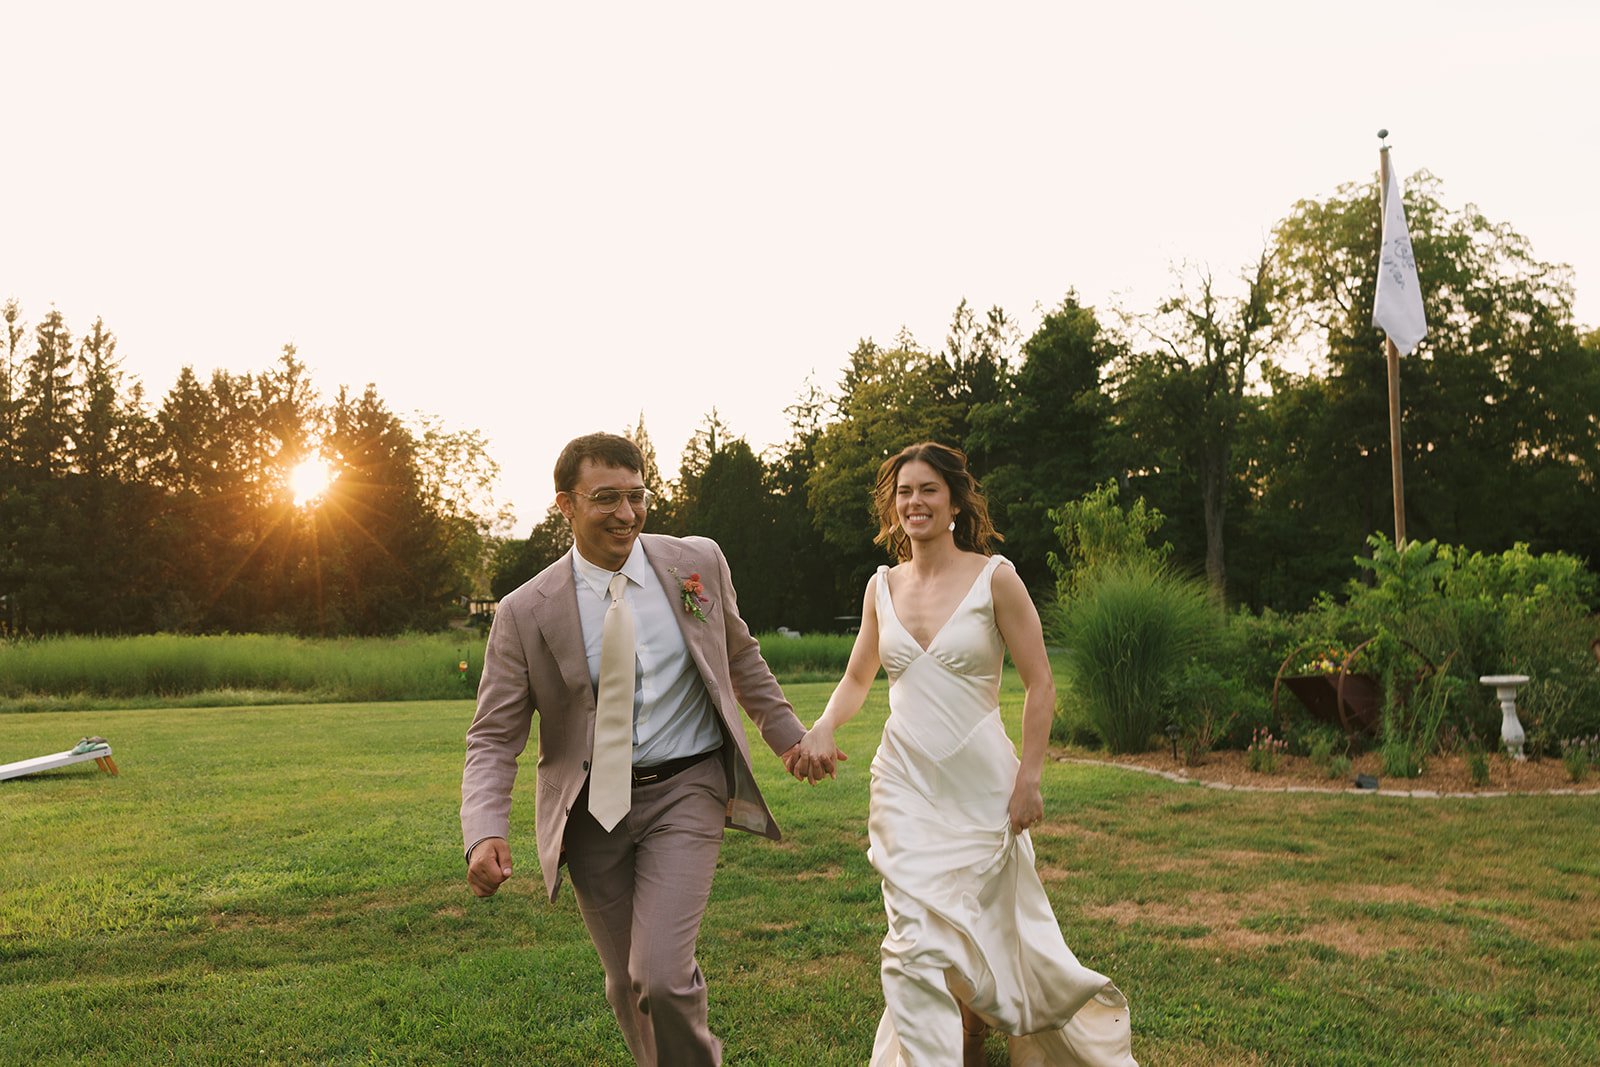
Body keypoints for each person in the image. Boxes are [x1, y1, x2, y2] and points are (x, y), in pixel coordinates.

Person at [461, 431, 835, 1066]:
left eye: (637, 496)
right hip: (590, 813)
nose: (627, 514)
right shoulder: (525, 610)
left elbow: (740, 659)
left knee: (659, 974)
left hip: (686, 789)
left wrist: (791, 739)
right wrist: (482, 829)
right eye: (606, 498)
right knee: (627, 984)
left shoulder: (696, 562)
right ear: (565, 505)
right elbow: (495, 734)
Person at [795, 442, 1136, 1067]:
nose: (914, 501)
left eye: (928, 489)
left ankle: (973, 1042)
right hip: (904, 780)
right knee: (911, 942)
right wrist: (822, 727)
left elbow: (1041, 682)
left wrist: (1030, 777)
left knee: (984, 932)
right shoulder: (881, 586)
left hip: (983, 784)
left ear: (954, 501)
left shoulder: (994, 577)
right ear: (892, 506)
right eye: (903, 491)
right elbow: (855, 679)